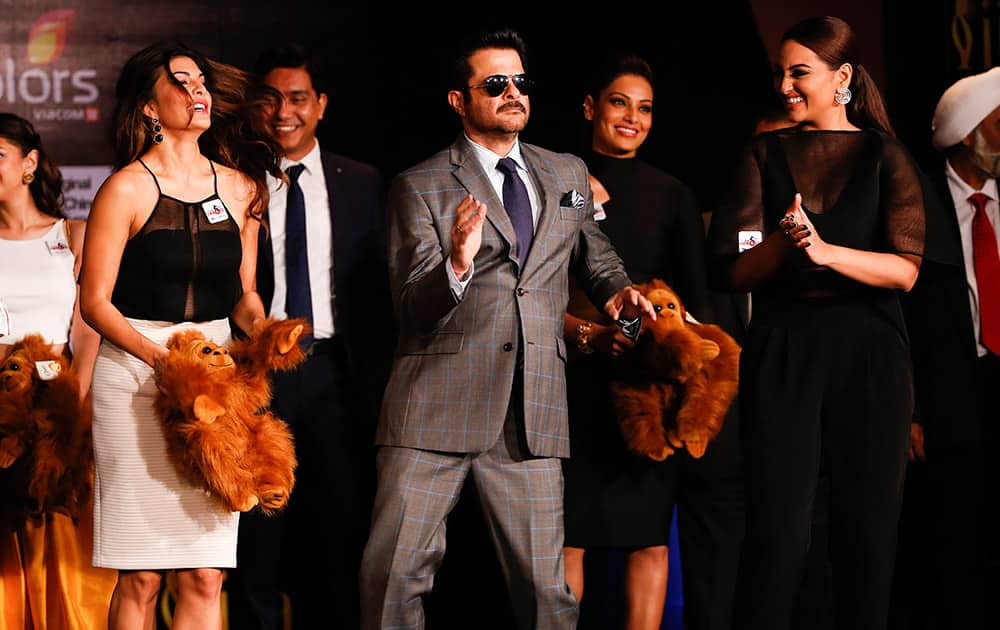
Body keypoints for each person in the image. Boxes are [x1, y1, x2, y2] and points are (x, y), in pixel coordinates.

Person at [358, 28, 656, 630]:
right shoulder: (421, 184)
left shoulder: (566, 173)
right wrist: (458, 264)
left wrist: (619, 290)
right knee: (393, 583)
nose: (513, 93)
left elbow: (591, 253)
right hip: (433, 409)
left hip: (532, 410)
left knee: (547, 595)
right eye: (495, 84)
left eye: (520, 82)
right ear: (458, 100)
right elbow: (412, 306)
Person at [705, 15, 926, 630]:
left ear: (843, 77)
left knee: (868, 533)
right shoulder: (761, 153)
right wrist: (783, 243)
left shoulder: (886, 154)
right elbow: (730, 271)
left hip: (871, 355)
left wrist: (826, 252)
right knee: (778, 531)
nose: (785, 86)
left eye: (799, 72)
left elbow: (906, 271)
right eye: (780, 73)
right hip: (786, 351)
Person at [78, 41, 281, 629]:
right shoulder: (124, 189)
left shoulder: (243, 189)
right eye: (181, 82)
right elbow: (94, 303)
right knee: (140, 573)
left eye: (202, 82)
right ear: (149, 105)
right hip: (135, 378)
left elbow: (243, 295)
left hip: (214, 381)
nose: (199, 92)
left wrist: (266, 332)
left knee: (205, 572)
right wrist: (161, 358)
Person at [226, 42, 393, 630]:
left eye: (297, 98)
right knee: (255, 529)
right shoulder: (233, 182)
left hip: (336, 374)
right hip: (256, 374)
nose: (282, 112)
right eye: (270, 99)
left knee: (339, 527)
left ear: (320, 105)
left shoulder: (365, 183)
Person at [558, 53, 722, 630]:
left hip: (647, 384)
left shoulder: (671, 192)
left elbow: (694, 297)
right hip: (574, 376)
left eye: (645, 108)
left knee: (650, 538)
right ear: (590, 107)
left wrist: (685, 372)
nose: (632, 117)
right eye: (619, 102)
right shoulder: (563, 180)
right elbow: (555, 267)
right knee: (568, 537)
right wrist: (593, 335)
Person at [0, 112, 117, 629]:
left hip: (58, 392)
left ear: (29, 163)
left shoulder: (73, 234)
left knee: (59, 523)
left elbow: (89, 323)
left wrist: (79, 396)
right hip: (0, 394)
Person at [896, 67, 1000, 630]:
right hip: (951, 393)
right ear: (969, 135)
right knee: (954, 533)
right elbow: (900, 312)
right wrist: (909, 409)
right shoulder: (921, 201)